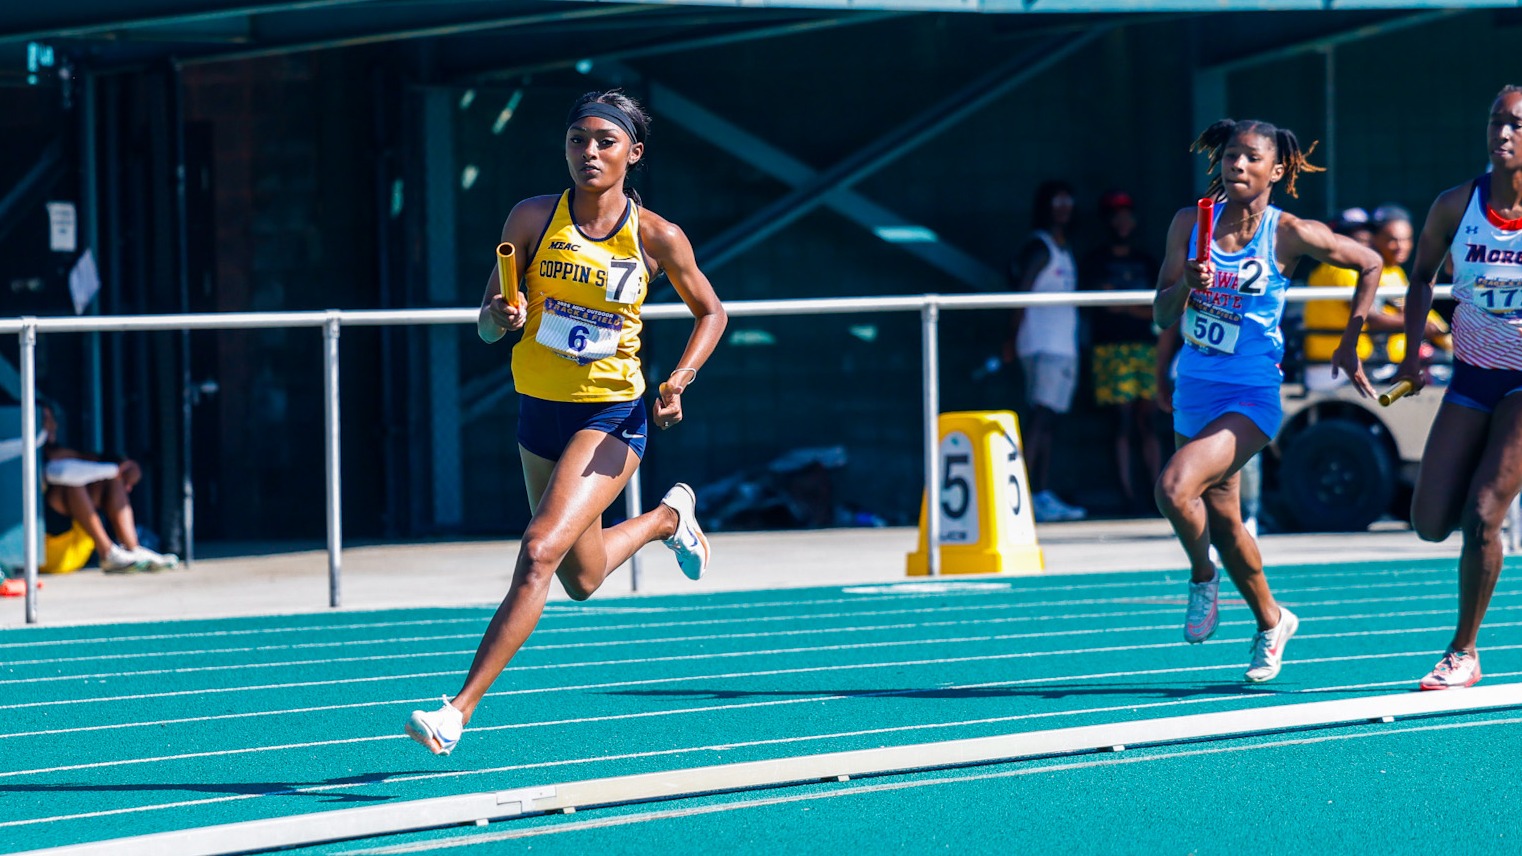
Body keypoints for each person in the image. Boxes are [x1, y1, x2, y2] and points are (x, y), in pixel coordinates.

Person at [404, 90, 727, 755]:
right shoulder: (530, 217)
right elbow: (488, 325)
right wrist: (503, 316)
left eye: (605, 142)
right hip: (540, 413)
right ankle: (669, 519)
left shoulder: (657, 237)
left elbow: (712, 312)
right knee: (581, 579)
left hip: (611, 415)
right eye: (578, 139)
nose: (589, 152)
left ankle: (457, 711)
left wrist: (679, 379)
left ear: (633, 155)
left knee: (539, 551)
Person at [1153, 118, 1382, 683]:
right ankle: (1272, 621)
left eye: (1252, 158)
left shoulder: (1288, 232)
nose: (1238, 165)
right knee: (1226, 521)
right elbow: (1161, 313)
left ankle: (1202, 578)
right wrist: (1187, 283)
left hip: (1252, 393)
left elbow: (1370, 263)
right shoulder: (1190, 223)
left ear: (1277, 170)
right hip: (1196, 387)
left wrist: (1350, 340)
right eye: (1232, 155)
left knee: (1176, 488)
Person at [1385, 85, 1522, 690]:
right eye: (1496, 122)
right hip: (1471, 375)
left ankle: (1462, 652)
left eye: (1516, 124)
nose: (1503, 134)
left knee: (1484, 513)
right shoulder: (1454, 205)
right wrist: (1416, 347)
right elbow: (1420, 279)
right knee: (1430, 521)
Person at [1009, 180, 1086, 523]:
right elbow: (1018, 298)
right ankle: (1024, 496)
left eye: (1068, 201)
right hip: (1042, 346)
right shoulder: (1039, 248)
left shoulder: (1064, 246)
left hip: (1062, 346)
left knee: (1049, 421)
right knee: (1040, 419)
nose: (1064, 207)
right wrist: (1009, 341)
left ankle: (1038, 492)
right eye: (1057, 201)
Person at [1082, 190, 1163, 514]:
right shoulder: (1096, 261)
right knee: (1122, 422)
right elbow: (1104, 306)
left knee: (1149, 421)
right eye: (1116, 214)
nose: (1122, 220)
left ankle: (1157, 496)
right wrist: (1134, 307)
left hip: (1146, 348)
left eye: (1127, 213)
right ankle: (1128, 497)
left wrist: (1124, 306)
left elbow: (1159, 308)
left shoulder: (1145, 260)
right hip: (1110, 349)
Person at [38, 403, 179, 574]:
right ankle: (108, 553)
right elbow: (61, 472)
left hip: (74, 548)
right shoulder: (27, 454)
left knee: (111, 480)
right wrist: (115, 469)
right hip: (45, 553)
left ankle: (133, 549)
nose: (52, 425)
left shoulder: (59, 450)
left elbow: (74, 461)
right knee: (71, 484)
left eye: (52, 419)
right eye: (44, 419)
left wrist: (121, 467)